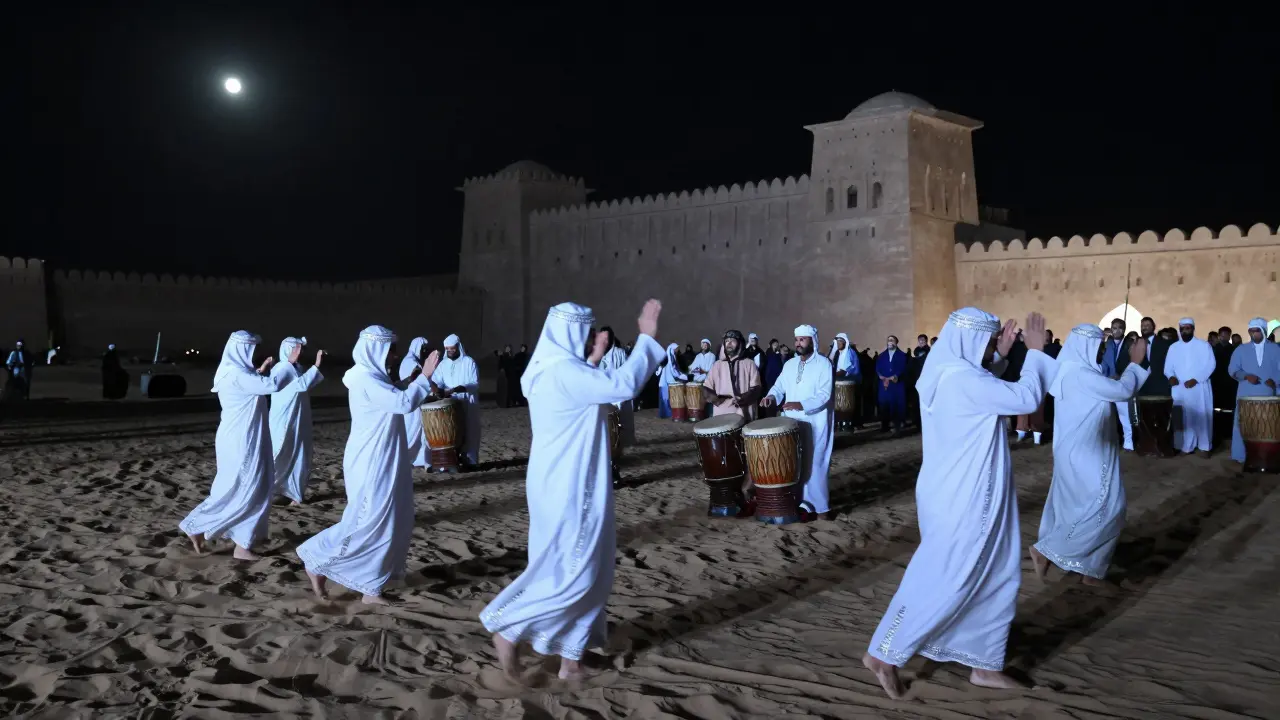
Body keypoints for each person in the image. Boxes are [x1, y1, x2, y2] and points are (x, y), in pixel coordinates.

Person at [863, 309, 1055, 698]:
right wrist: (1034, 353)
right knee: (949, 575)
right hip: (967, 496)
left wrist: (998, 356)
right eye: (985, 344)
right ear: (968, 343)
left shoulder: (945, 370)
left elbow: (982, 383)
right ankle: (884, 653)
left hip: (959, 489)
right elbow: (1026, 396)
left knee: (998, 572)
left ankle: (984, 663)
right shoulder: (964, 379)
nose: (988, 350)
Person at [482, 299, 665, 682]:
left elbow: (578, 390)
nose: (587, 338)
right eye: (584, 333)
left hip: (554, 479)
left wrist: (594, 358)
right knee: (577, 570)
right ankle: (510, 627)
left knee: (574, 564)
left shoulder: (545, 369)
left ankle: (571, 660)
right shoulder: (566, 372)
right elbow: (625, 384)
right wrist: (646, 338)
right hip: (572, 484)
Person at [297, 326, 440, 604]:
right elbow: (403, 404)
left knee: (388, 521)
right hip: (372, 460)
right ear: (376, 350)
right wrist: (425, 376)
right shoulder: (366, 379)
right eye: (390, 350)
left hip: (385, 457)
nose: (395, 355)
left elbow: (392, 398)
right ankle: (317, 559)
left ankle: (371, 585)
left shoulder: (373, 377)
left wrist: (409, 381)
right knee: (369, 521)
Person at [1031, 324, 1148, 587]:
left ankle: (1090, 568)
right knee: (1107, 507)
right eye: (1099, 346)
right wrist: (1136, 363)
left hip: (1079, 451)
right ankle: (1047, 551)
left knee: (1080, 507)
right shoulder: (1081, 374)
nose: (1102, 351)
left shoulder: (1071, 371)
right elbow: (1122, 391)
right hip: (1087, 453)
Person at [180, 331, 312, 560]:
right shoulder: (238, 375)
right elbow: (271, 385)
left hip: (241, 437)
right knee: (249, 487)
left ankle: (232, 539)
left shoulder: (231, 371)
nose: (257, 354)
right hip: (243, 440)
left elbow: (255, 384)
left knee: (244, 487)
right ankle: (209, 530)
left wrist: (260, 371)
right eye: (253, 350)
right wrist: (287, 364)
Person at [760, 325, 834, 522]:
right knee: (795, 463)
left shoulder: (824, 364)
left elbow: (824, 395)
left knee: (815, 463)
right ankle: (801, 503)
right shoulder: (790, 364)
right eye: (797, 340)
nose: (798, 343)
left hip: (815, 421)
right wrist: (770, 397)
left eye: (803, 340)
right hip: (792, 421)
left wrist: (800, 404)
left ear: (812, 341)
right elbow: (779, 386)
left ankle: (821, 508)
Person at [270, 337, 325, 505]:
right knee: (278, 454)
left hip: (298, 419)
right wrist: (316, 365)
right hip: (284, 421)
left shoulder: (296, 368)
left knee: (299, 454)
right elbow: (301, 385)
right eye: (297, 350)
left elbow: (306, 384)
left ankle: (294, 493)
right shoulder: (281, 369)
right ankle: (270, 490)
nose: (300, 353)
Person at [1228, 318, 1280, 465]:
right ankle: (1241, 455)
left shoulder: (1275, 349)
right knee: (1242, 423)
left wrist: (1275, 380)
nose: (1253, 334)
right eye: (1251, 331)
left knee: (1267, 426)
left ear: (1263, 331)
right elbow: (1232, 370)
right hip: (1245, 394)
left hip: (1268, 395)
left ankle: (1266, 456)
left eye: (1256, 331)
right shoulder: (1240, 349)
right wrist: (1246, 376)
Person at [1165, 318, 1215, 457]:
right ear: (1179, 329)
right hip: (1179, 388)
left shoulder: (1204, 345)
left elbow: (1210, 365)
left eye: (1188, 328)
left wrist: (1196, 379)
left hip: (1199, 388)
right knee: (1182, 418)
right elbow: (1168, 368)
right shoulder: (1173, 347)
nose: (1185, 331)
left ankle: (1205, 447)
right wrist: (1170, 377)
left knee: (1202, 415)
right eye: (1182, 328)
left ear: (1193, 329)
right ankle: (1185, 447)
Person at [430, 334, 481, 468]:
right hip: (450, 404)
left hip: (467, 402)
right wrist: (436, 389)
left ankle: (470, 461)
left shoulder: (468, 362)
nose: (450, 351)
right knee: (451, 433)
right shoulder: (443, 364)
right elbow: (437, 380)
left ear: (458, 347)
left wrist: (454, 390)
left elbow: (474, 384)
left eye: (452, 349)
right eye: (447, 349)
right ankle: (452, 461)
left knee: (469, 431)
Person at [598, 326, 636, 446]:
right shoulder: (599, 355)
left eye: (607, 338)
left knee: (622, 424)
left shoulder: (620, 353)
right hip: (606, 396)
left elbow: (627, 373)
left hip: (620, 395)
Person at [399, 337, 432, 470]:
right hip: (411, 402)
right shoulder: (410, 362)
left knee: (420, 432)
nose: (425, 352)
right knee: (411, 431)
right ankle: (405, 458)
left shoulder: (414, 361)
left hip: (416, 401)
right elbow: (416, 378)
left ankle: (419, 459)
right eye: (423, 349)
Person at [876, 335, 908, 433]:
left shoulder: (902, 355)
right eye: (888, 340)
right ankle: (884, 426)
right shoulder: (881, 356)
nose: (890, 342)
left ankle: (897, 425)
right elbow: (878, 368)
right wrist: (880, 375)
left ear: (896, 342)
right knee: (884, 404)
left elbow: (903, 368)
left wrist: (895, 376)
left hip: (896, 384)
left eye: (892, 340)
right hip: (884, 384)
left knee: (897, 405)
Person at [656, 342, 687, 418]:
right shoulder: (669, 360)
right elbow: (674, 371)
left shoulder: (672, 358)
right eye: (676, 349)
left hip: (668, 381)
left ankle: (668, 413)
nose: (677, 350)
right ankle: (667, 414)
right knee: (666, 398)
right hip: (666, 382)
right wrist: (683, 376)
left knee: (667, 398)